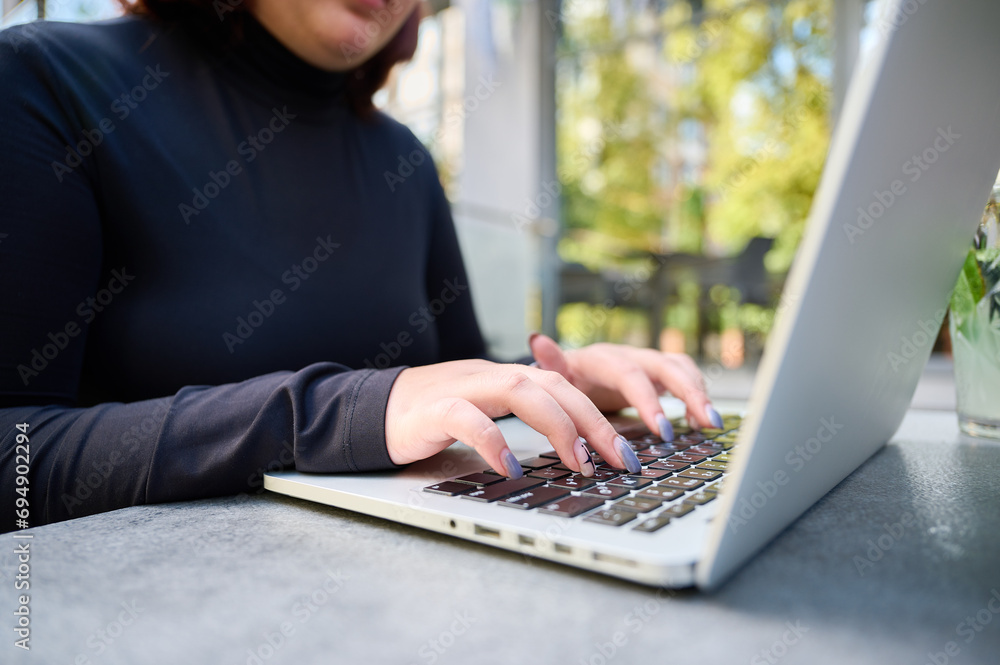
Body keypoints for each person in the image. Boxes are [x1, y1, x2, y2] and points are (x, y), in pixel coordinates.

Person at [0, 0, 722, 534]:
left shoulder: (403, 162)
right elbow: (15, 455)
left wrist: (552, 384)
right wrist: (335, 413)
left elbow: (440, 381)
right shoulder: (46, 80)